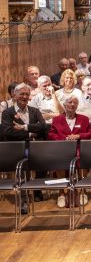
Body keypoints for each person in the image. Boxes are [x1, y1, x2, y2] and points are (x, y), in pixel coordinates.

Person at [1, 83, 47, 213]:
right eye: (22, 94)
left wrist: (24, 127)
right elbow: (7, 131)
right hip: (17, 148)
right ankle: (23, 198)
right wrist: (30, 133)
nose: (25, 96)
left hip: (35, 146)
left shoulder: (34, 110)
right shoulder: (8, 113)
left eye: (27, 94)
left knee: (45, 157)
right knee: (21, 160)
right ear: (15, 95)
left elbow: (43, 126)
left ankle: (37, 190)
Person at [48, 95, 91, 207]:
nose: (72, 105)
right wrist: (64, 138)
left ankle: (82, 191)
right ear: (64, 105)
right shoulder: (57, 119)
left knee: (83, 157)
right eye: (69, 102)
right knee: (59, 159)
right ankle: (61, 193)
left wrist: (78, 135)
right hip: (62, 148)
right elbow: (51, 134)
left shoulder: (84, 119)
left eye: (75, 103)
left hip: (80, 147)